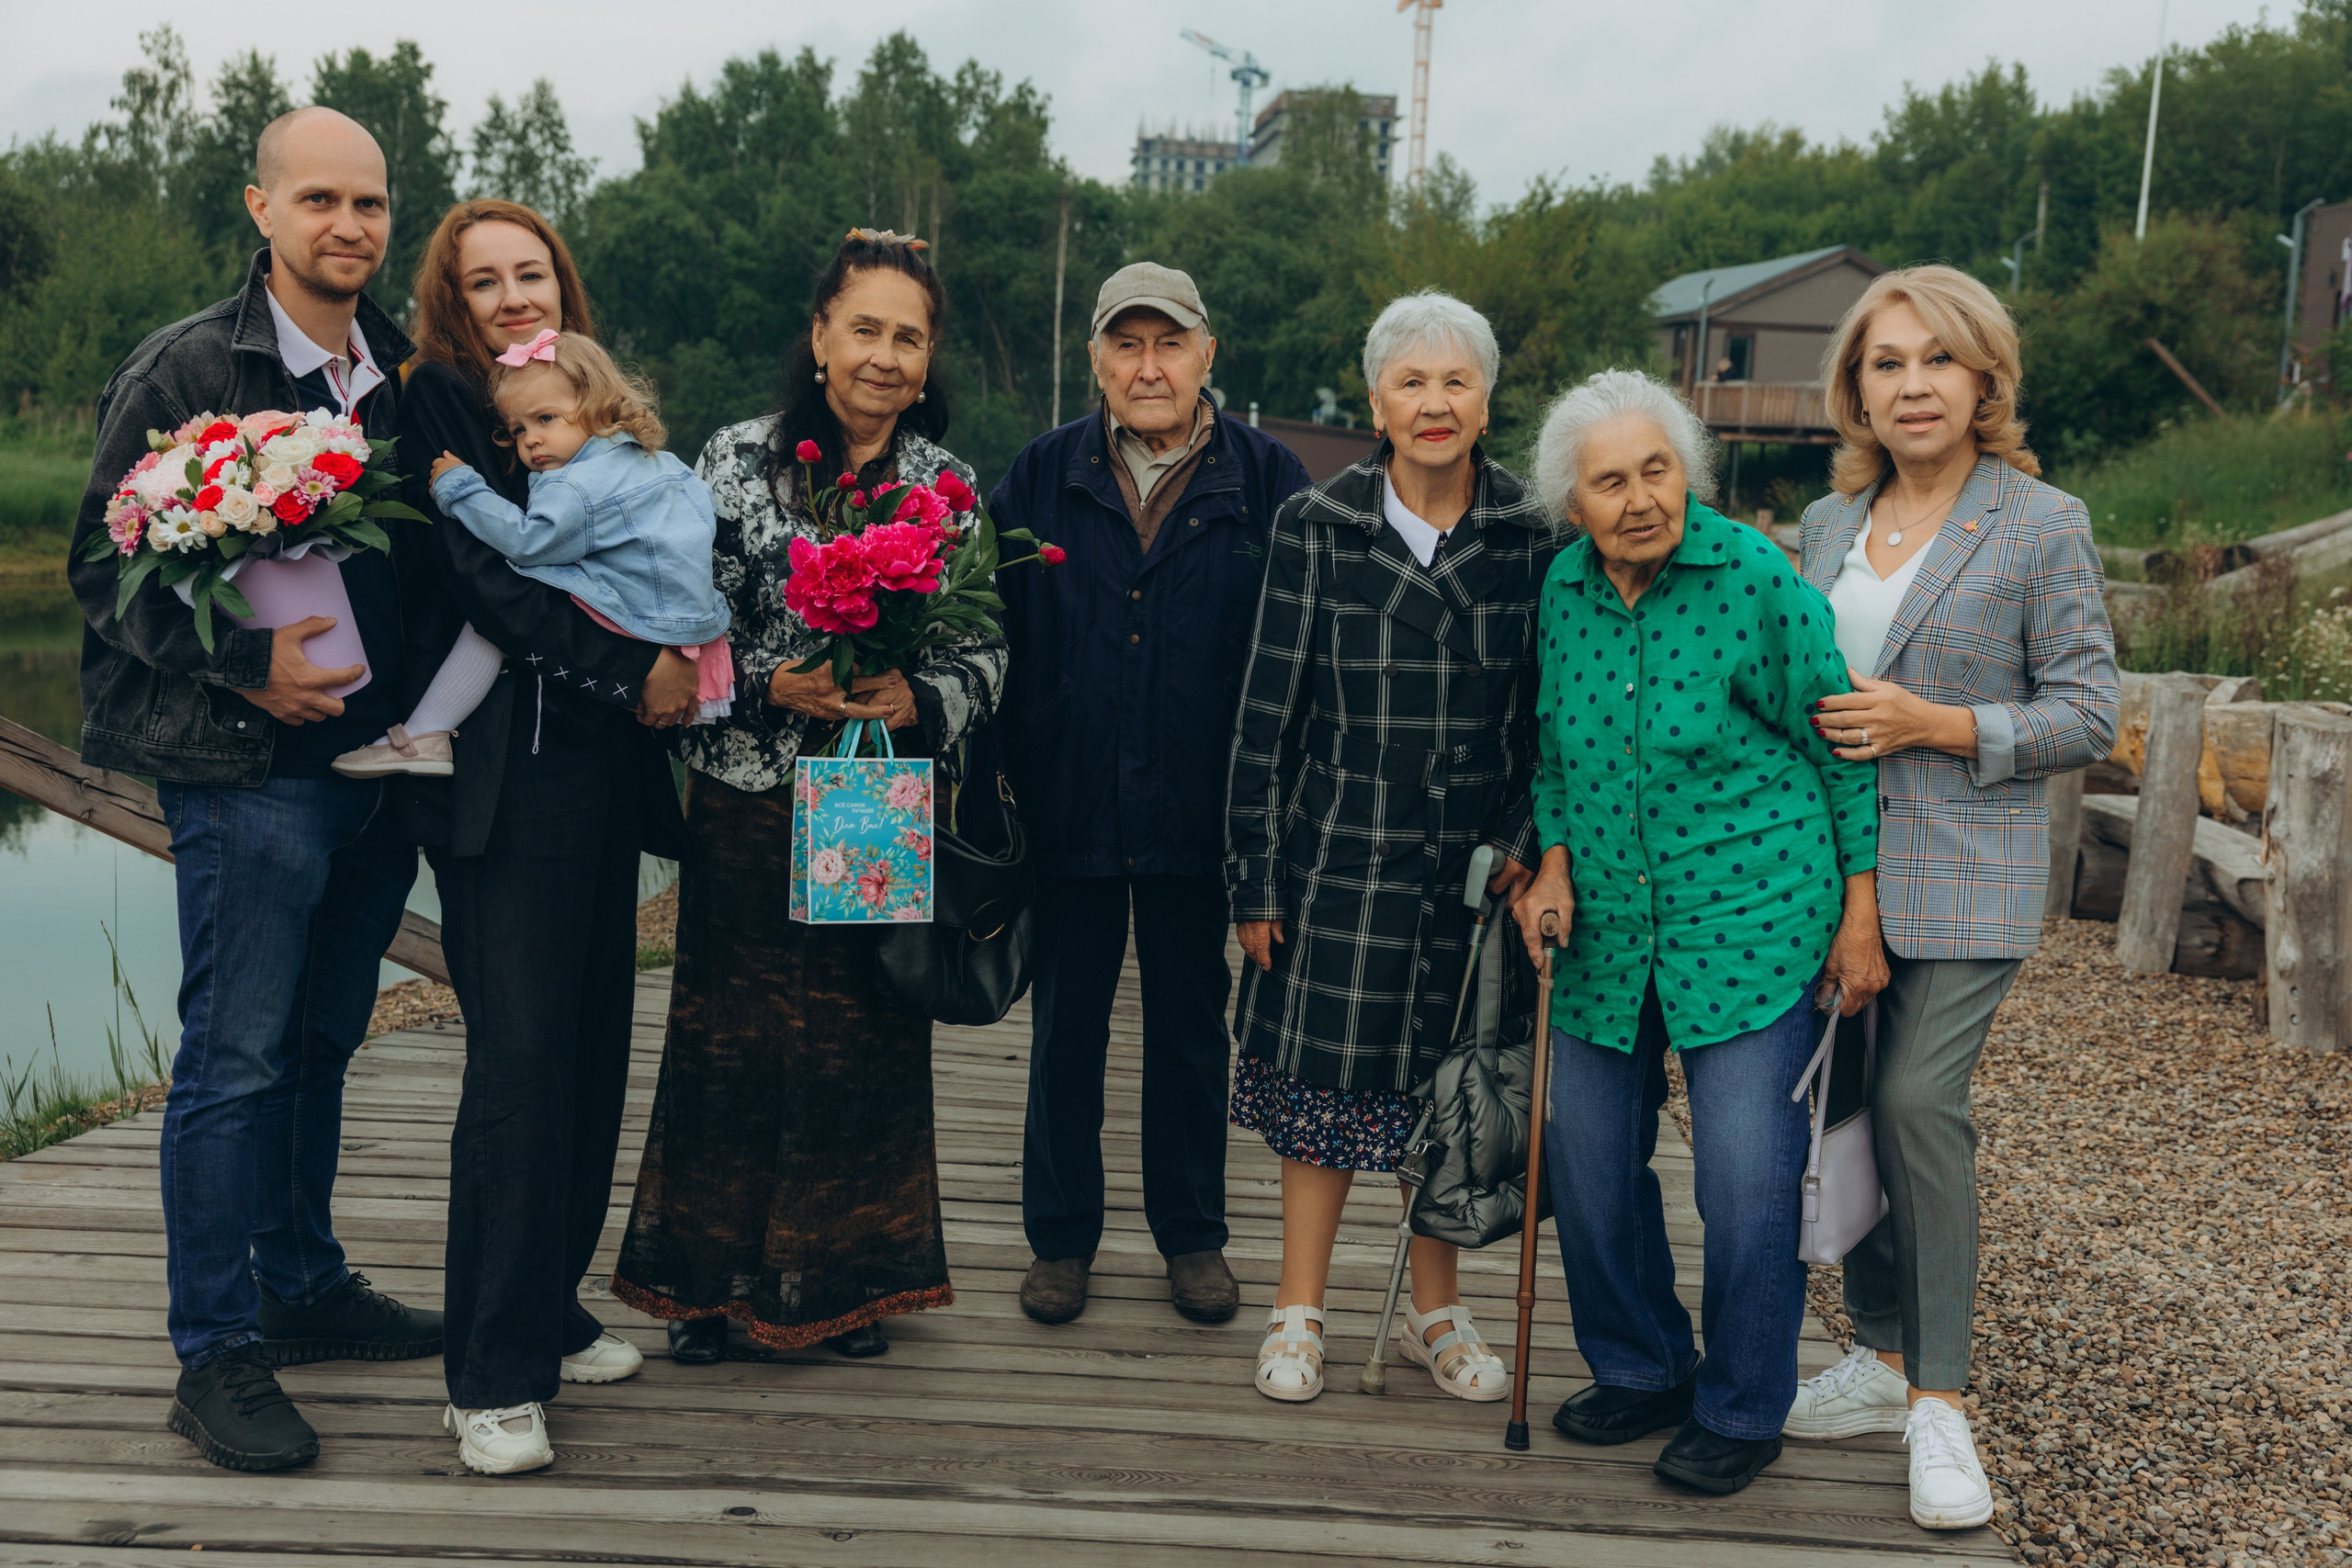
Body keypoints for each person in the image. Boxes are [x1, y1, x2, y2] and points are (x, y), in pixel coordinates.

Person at [64, 107, 443, 1473]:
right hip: (247, 777)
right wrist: (242, 660)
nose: (353, 224)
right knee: (233, 1060)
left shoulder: (400, 368)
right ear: (261, 208)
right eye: (324, 199)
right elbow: (101, 570)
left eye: (374, 203)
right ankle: (213, 1348)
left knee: (323, 1044)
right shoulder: (186, 368)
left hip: (377, 776)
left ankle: (303, 1278)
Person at [610, 230, 1002, 1365]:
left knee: (859, 1034)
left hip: (875, 798)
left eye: (908, 338)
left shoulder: (948, 488)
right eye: (865, 329)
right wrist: (758, 687)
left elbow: (988, 648)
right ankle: (706, 1289)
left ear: (927, 364)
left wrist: (918, 695)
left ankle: (846, 1283)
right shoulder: (733, 460)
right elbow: (676, 617)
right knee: (723, 1038)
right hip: (744, 785)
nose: (884, 356)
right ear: (821, 335)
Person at [1510, 368, 1884, 1498]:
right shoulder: (1563, 593)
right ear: (1570, 505)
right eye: (1610, 481)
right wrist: (1554, 866)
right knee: (1587, 1168)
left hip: (1751, 924)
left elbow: (1836, 746)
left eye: (1658, 470)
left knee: (1744, 1183)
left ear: (1690, 473)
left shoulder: (1755, 579)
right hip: (1605, 934)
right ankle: (1641, 1366)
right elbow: (1557, 754)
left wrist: (1858, 916)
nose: (1640, 499)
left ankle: (1739, 1402)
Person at [1786, 265, 2119, 1532]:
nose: (1912, 383)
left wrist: (1938, 723)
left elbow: (2091, 712)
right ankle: (1873, 1352)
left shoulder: (2041, 522)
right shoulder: (1825, 526)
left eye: (1937, 359)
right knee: (1858, 1110)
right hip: (1832, 878)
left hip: (1969, 872)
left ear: (1986, 377)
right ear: (1856, 386)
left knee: (1923, 1099)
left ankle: (1942, 1401)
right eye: (1887, 361)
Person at [399, 198, 702, 1475]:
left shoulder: (576, 396)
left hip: (595, 783)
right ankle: (490, 1374)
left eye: (533, 272)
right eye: (487, 281)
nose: (515, 296)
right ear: (452, 301)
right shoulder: (441, 404)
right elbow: (495, 585)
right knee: (520, 1070)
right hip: (502, 789)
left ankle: (553, 1305)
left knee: (588, 1051)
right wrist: (632, 668)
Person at [1224, 290, 1547, 1404]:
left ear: (1487, 401)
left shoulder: (1530, 534)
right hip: (1337, 861)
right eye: (1411, 382)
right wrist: (1254, 880)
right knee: (1318, 1099)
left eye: (1455, 381)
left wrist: (1519, 839)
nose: (1434, 402)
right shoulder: (1316, 527)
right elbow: (1264, 722)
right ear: (1375, 402)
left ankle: (1434, 1313)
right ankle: (1297, 1311)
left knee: (1444, 1097)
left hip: (1470, 876)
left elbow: (1550, 719)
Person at [989, 263, 1310, 1326]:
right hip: (1067, 798)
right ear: (1096, 360)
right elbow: (991, 637)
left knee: (1187, 1028)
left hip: (1203, 809)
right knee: (1064, 1029)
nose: (1148, 365)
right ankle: (1061, 1239)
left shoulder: (1269, 480)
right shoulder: (1038, 477)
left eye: (1167, 343)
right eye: (1125, 345)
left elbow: (1305, 658)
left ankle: (1192, 1236)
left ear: (1206, 352)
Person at [332, 330, 730, 779]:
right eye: (518, 429)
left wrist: (460, 488)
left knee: (502, 604)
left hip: (640, 614)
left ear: (597, 405)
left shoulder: (578, 485)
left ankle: (429, 731)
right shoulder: (656, 461)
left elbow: (526, 541)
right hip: (687, 617)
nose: (531, 441)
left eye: (546, 419)